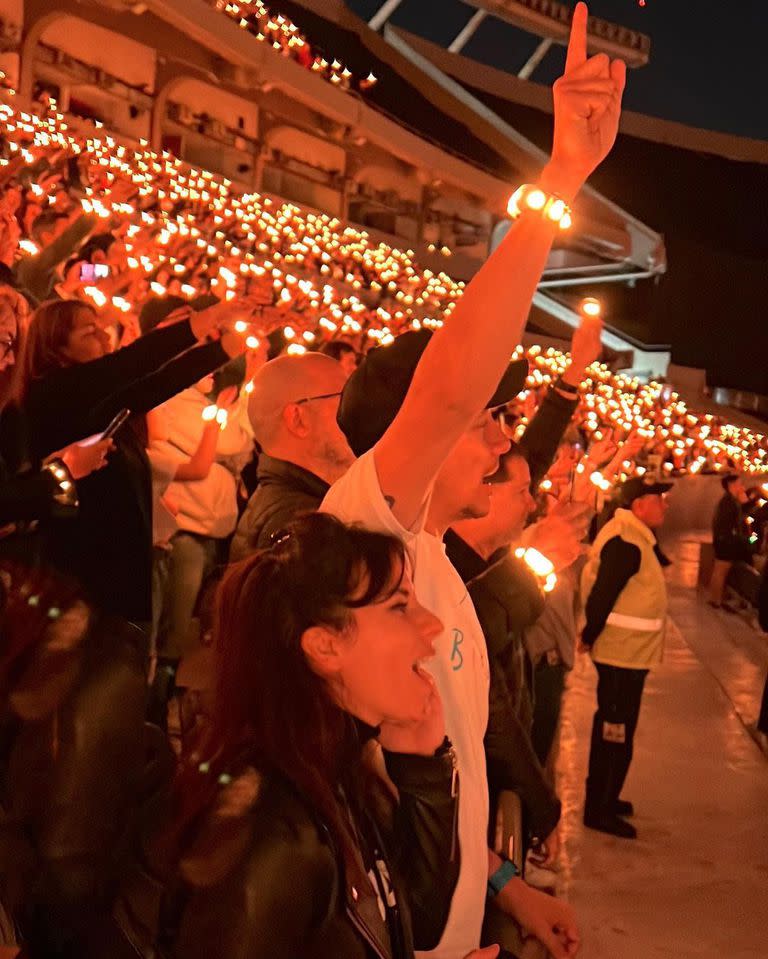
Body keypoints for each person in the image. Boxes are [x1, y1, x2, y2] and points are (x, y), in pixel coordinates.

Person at [322, 5, 624, 953]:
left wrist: (496, 889)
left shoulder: (430, 570)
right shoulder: (363, 532)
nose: (501, 441)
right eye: (488, 421)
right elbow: (452, 387)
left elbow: (427, 776)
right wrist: (559, 179)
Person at [125, 512, 481, 959]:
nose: (432, 625)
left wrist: (422, 764)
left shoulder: (337, 766)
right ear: (325, 646)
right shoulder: (266, 832)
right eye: (399, 605)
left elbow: (413, 920)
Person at [3, 297, 247, 628]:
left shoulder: (91, 400)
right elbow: (134, 362)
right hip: (79, 577)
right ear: (53, 346)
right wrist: (213, 317)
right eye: (90, 332)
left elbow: (156, 385)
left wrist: (225, 349)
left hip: (109, 569)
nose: (105, 338)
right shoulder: (55, 392)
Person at [579, 476, 672, 838]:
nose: (664, 504)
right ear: (638, 506)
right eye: (657, 498)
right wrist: (589, 635)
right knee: (614, 732)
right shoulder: (626, 543)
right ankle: (598, 808)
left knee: (618, 729)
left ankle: (608, 796)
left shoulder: (633, 536)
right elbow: (602, 595)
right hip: (620, 656)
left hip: (628, 655)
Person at [229, 351, 354, 561]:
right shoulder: (300, 529)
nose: (356, 408)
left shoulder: (307, 507)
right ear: (297, 419)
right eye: (345, 397)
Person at [709, 474, 754, 609]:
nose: (742, 487)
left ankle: (716, 598)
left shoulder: (730, 501)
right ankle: (715, 600)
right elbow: (730, 525)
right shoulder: (728, 503)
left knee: (720, 570)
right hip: (725, 542)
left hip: (723, 541)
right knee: (720, 570)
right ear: (731, 485)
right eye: (740, 483)